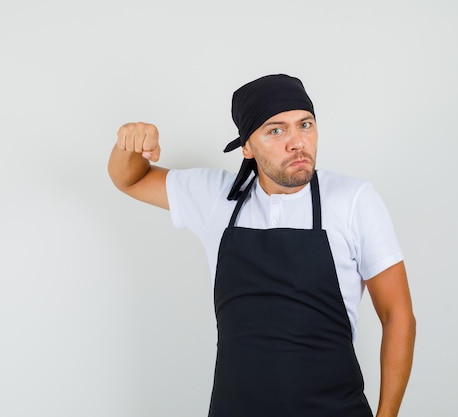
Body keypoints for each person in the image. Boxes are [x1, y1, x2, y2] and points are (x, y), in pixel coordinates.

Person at [108, 74, 416, 417]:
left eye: (305, 124)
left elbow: (398, 315)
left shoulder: (353, 200)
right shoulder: (216, 198)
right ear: (247, 147)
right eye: (276, 130)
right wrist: (130, 144)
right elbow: (130, 177)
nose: (297, 142)